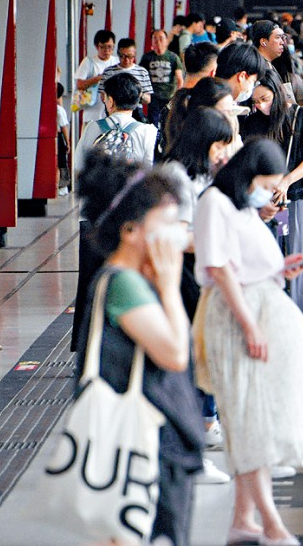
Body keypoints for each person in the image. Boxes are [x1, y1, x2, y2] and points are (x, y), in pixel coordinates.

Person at [193, 139, 303, 546]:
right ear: (247, 174)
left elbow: (245, 261)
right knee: (248, 420)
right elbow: (220, 270)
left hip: (255, 312)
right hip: (236, 321)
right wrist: (251, 327)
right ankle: (272, 525)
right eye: (266, 182)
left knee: (250, 418)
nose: (268, 191)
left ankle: (243, 520)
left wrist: (279, 267)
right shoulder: (214, 204)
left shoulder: (240, 207)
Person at [75, 150, 205, 546]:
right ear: (131, 230)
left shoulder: (126, 279)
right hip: (142, 446)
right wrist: (168, 285)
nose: (178, 233)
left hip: (140, 444)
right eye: (166, 223)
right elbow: (176, 353)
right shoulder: (123, 283)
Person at [160, 107, 236, 485]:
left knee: (196, 363)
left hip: (196, 276)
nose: (225, 153)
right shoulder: (176, 176)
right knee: (186, 367)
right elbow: (175, 236)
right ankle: (190, 457)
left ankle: (192, 450)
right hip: (182, 280)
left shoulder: (203, 173)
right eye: (221, 145)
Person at [72, 73, 158, 352]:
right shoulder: (148, 132)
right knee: (127, 278)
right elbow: (148, 176)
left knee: (90, 282)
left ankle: (85, 345)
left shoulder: (90, 129)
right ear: (136, 102)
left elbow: (78, 170)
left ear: (108, 100)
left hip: (93, 219)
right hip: (129, 221)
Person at [241, 72, 303, 335]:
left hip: (298, 198)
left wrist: (287, 181)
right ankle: (277, 327)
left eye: (264, 99)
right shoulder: (252, 123)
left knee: (299, 261)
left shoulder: (302, 115)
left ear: (277, 92)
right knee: (274, 259)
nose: (261, 106)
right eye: (255, 102)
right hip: (269, 204)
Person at [99, 38, 154, 122]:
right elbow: (103, 97)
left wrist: (137, 95)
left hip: (135, 113)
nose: (126, 60)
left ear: (135, 55)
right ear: (118, 54)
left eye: (130, 56)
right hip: (114, 112)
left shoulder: (142, 72)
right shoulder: (109, 72)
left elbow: (148, 99)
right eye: (122, 56)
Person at [141, 29, 185, 127]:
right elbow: (141, 76)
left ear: (166, 40)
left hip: (169, 97)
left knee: (168, 123)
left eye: (161, 39)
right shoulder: (147, 57)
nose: (158, 42)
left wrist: (177, 96)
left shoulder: (173, 57)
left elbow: (180, 79)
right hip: (153, 97)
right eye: (155, 39)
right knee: (153, 123)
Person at [73, 29, 118, 122]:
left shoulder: (116, 62)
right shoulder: (89, 62)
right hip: (92, 114)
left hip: (113, 114)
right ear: (97, 46)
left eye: (110, 47)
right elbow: (79, 84)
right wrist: (99, 78)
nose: (107, 51)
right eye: (103, 47)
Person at [57, 81, 71, 197]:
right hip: (59, 138)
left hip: (50, 139)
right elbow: (64, 127)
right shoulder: (59, 110)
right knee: (61, 163)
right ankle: (62, 186)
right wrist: (68, 142)